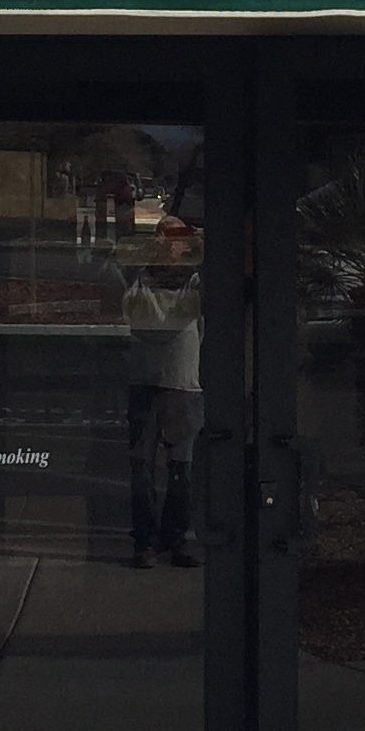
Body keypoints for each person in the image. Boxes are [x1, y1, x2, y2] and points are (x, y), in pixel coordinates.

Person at [123, 226, 203, 568]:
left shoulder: (195, 282)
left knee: (180, 467)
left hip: (180, 384)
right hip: (148, 383)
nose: (165, 245)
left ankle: (175, 538)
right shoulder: (137, 278)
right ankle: (147, 541)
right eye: (161, 238)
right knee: (143, 467)